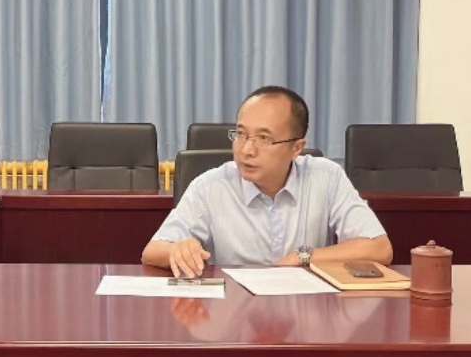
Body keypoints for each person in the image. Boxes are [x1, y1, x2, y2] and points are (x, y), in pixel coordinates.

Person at [142, 86, 392, 278]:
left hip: (304, 313)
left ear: (296, 148)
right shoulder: (210, 187)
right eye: (241, 134)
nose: (246, 150)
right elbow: (152, 251)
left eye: (264, 138)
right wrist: (177, 250)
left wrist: (304, 256)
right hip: (234, 314)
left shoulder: (326, 178)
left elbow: (379, 248)